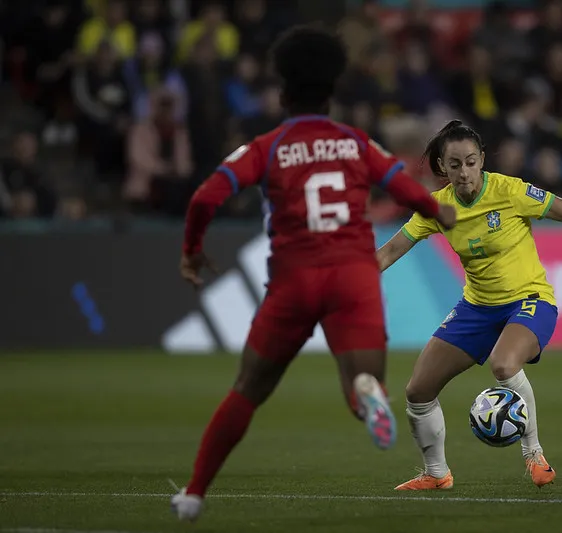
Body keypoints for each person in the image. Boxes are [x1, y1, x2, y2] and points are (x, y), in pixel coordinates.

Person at [170, 26, 457, 522]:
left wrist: (193, 250)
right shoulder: (355, 143)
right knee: (360, 384)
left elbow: (204, 198)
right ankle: (366, 395)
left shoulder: (268, 145)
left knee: (248, 389)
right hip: (354, 276)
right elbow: (406, 189)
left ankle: (194, 494)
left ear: (282, 93)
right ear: (331, 93)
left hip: (294, 280)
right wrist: (440, 212)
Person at [376, 120, 562, 491]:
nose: (465, 172)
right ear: (442, 168)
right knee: (417, 392)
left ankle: (533, 453)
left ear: (482, 159)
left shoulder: (510, 191)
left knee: (504, 364)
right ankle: (436, 474)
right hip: (477, 307)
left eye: (471, 162)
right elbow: (390, 250)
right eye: (455, 165)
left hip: (529, 300)